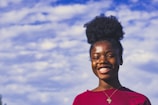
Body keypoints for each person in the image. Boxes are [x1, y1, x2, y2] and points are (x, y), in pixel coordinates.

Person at [72, 14, 151, 105]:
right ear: (91, 61)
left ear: (120, 59)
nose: (102, 61)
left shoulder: (140, 100)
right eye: (96, 57)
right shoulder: (81, 101)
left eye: (109, 55)